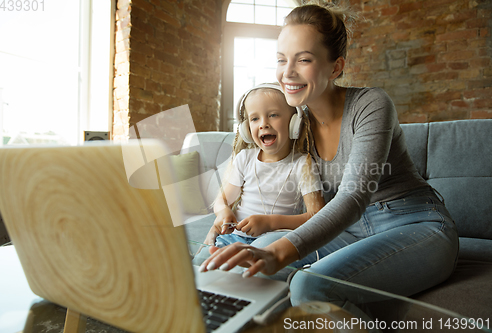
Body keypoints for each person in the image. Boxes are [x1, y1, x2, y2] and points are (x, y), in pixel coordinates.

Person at [199, 1, 459, 315]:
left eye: (303, 59)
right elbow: (256, 163)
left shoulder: (372, 104)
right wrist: (225, 213)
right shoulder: (297, 124)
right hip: (349, 231)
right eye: (282, 59)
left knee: (309, 285)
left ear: (335, 67)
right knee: (250, 255)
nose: (287, 72)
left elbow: (352, 198)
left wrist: (280, 252)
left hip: (416, 223)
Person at [194, 83, 325, 266]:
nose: (263, 124)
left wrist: (271, 223)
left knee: (244, 275)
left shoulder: (303, 164)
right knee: (200, 267)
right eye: (254, 118)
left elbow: (317, 216)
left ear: (294, 122)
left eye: (273, 115)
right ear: (247, 129)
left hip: (274, 243)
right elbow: (222, 200)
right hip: (233, 238)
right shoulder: (244, 159)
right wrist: (224, 212)